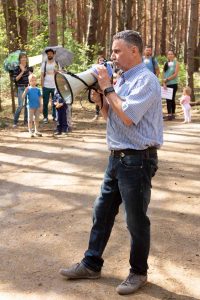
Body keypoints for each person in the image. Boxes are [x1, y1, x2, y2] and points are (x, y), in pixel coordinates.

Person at [59, 30, 163, 296]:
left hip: (138, 160)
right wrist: (102, 101)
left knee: (135, 220)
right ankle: (92, 263)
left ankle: (138, 272)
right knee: (102, 211)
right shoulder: (122, 80)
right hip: (116, 158)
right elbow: (114, 117)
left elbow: (128, 116)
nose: (113, 57)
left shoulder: (146, 80)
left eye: (117, 51)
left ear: (134, 52)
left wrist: (107, 88)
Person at [13, 53, 33, 127]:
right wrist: (22, 71)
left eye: (25, 57)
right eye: (22, 58)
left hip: (28, 87)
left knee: (27, 105)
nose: (24, 59)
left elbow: (32, 78)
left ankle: (26, 121)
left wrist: (30, 73)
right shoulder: (17, 68)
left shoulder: (30, 67)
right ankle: (15, 122)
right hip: (21, 88)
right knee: (20, 105)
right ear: (19, 59)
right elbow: (15, 79)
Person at [41, 48, 60, 124]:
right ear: (47, 55)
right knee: (45, 102)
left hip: (55, 85)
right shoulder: (44, 63)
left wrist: (57, 72)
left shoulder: (57, 63)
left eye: (51, 53)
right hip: (46, 85)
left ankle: (54, 116)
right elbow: (42, 75)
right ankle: (45, 117)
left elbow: (60, 73)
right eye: (48, 54)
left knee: (54, 102)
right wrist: (42, 85)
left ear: (53, 54)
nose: (49, 55)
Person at [162, 50, 179, 120]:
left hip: (173, 84)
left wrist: (167, 79)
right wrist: (163, 83)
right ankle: (169, 114)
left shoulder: (176, 63)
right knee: (167, 99)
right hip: (166, 84)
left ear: (174, 55)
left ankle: (173, 114)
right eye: (169, 54)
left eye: (171, 54)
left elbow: (175, 74)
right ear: (167, 56)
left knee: (171, 99)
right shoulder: (165, 63)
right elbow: (163, 74)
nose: (170, 55)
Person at [91, 55, 107, 122]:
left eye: (103, 60)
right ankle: (97, 114)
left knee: (105, 99)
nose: (101, 61)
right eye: (100, 60)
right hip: (97, 85)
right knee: (98, 100)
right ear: (98, 61)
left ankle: (105, 115)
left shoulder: (106, 67)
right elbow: (91, 73)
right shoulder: (95, 67)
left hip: (104, 85)